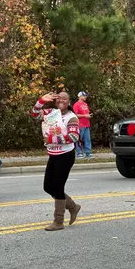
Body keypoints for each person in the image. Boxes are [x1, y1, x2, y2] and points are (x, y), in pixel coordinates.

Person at [31, 92, 81, 231]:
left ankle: (58, 221)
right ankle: (73, 206)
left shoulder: (72, 117)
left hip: (65, 155)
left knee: (58, 187)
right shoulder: (50, 113)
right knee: (48, 187)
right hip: (53, 154)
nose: (61, 100)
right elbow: (35, 114)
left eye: (64, 98)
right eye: (58, 98)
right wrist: (41, 100)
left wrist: (52, 139)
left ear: (69, 101)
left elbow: (74, 137)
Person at [73, 91, 93, 159]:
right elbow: (75, 115)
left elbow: (86, 113)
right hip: (80, 125)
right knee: (79, 140)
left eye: (85, 96)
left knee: (87, 139)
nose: (85, 97)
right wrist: (85, 115)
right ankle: (79, 153)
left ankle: (88, 153)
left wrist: (88, 116)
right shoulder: (76, 104)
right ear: (80, 96)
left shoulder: (85, 104)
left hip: (87, 124)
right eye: (84, 96)